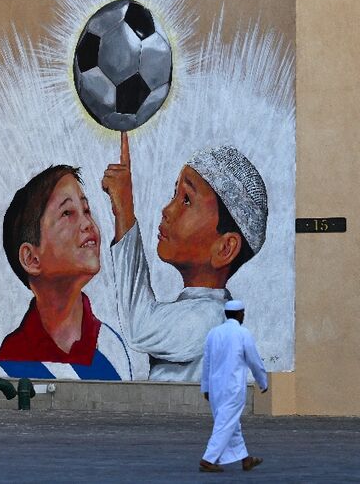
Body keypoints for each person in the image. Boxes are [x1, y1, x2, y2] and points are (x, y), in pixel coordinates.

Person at [102, 133, 268, 382]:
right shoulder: (202, 310)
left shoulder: (208, 319)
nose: (167, 210)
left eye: (187, 200)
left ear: (225, 248)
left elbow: (139, 326)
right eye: (174, 195)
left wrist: (124, 209)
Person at [0, 165, 131, 380]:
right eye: (67, 213)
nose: (87, 223)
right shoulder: (10, 360)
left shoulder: (111, 347)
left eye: (86, 210)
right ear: (31, 259)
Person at [199, 299, 268, 473]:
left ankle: (245, 459)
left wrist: (205, 387)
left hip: (215, 388)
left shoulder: (213, 333)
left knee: (231, 423)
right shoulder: (242, 333)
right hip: (233, 388)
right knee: (225, 423)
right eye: (243, 313)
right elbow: (253, 359)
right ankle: (208, 459)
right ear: (239, 314)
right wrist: (262, 381)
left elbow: (206, 362)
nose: (243, 315)